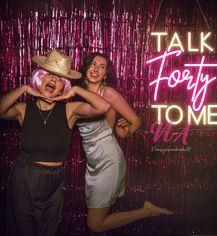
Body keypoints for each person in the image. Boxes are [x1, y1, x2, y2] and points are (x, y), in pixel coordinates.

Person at [0, 49, 111, 236]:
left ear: (63, 87)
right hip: (24, 178)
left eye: (60, 79)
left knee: (47, 231)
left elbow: (104, 106)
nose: (53, 80)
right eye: (49, 75)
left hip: (54, 181)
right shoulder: (23, 109)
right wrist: (23, 89)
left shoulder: (69, 110)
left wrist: (76, 90)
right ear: (39, 78)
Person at [77, 52, 173, 235]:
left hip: (108, 161)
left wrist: (125, 131)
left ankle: (146, 211)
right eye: (93, 64)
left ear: (106, 74)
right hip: (93, 163)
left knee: (94, 224)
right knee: (100, 220)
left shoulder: (108, 92)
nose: (96, 69)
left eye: (102, 66)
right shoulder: (79, 94)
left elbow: (136, 121)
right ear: (86, 67)